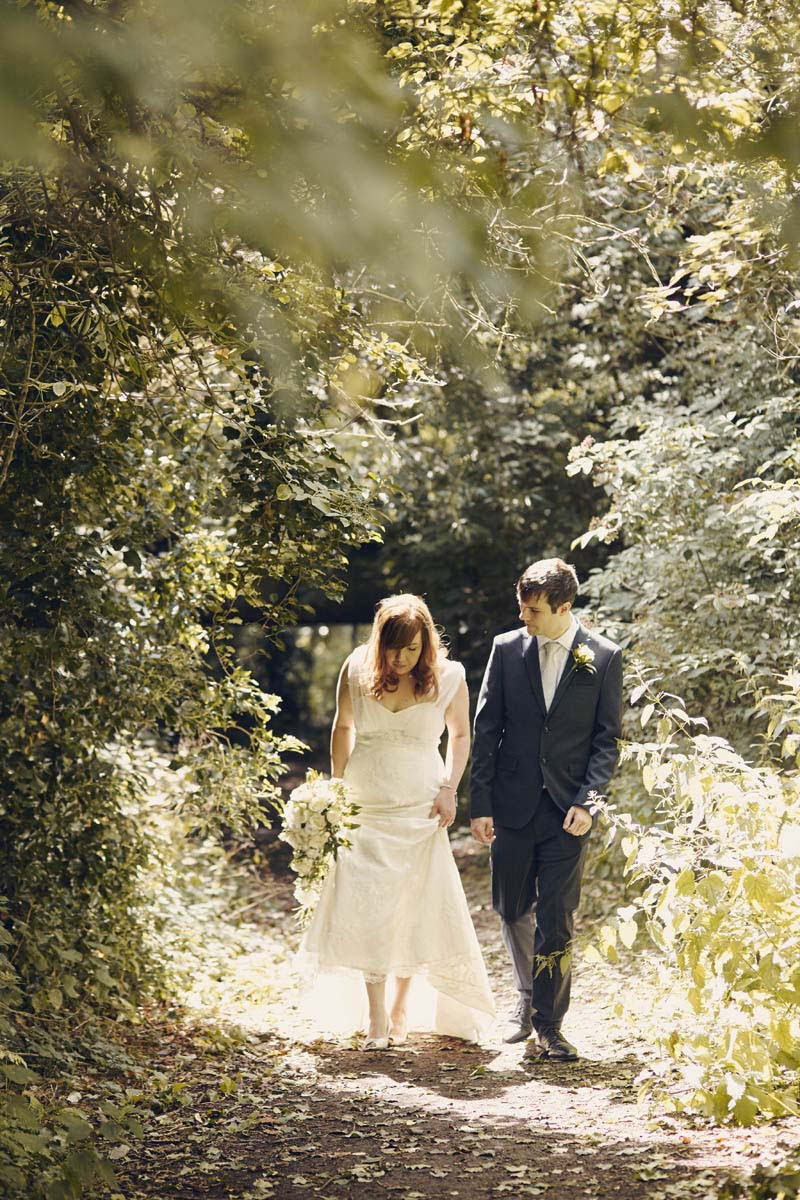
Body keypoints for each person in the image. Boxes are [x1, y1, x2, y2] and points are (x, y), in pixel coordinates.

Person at [298, 594, 495, 1049]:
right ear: (379, 642)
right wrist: (335, 790)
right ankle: (375, 1016)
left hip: (420, 807)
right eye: (393, 648)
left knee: (412, 905)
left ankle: (401, 1007)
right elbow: (342, 727)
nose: (402, 658)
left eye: (411, 648)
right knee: (369, 907)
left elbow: (460, 735)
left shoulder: (449, 676)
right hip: (365, 806)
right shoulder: (356, 669)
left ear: (425, 644)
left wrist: (450, 789)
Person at [469, 558, 622, 1061]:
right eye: (522, 607)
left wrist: (589, 802)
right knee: (511, 908)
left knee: (557, 916)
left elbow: (607, 741)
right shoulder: (506, 650)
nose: (523, 617)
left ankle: (549, 1024)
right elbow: (486, 730)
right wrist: (481, 803)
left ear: (564, 606)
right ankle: (525, 992)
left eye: (532, 610)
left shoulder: (604, 657)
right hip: (512, 805)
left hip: (567, 811)